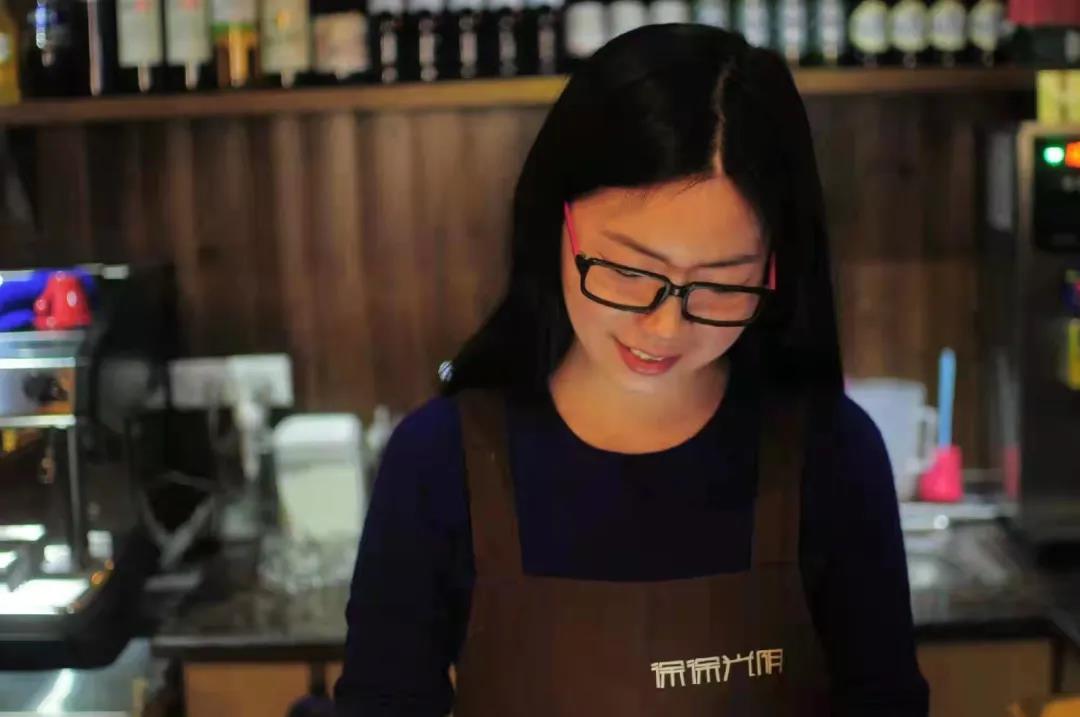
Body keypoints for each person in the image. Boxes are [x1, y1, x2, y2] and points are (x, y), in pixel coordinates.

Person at [335, 23, 929, 716]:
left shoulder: (832, 455)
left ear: (775, 268)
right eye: (627, 270)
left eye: (722, 282)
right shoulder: (438, 465)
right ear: (555, 221)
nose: (665, 325)